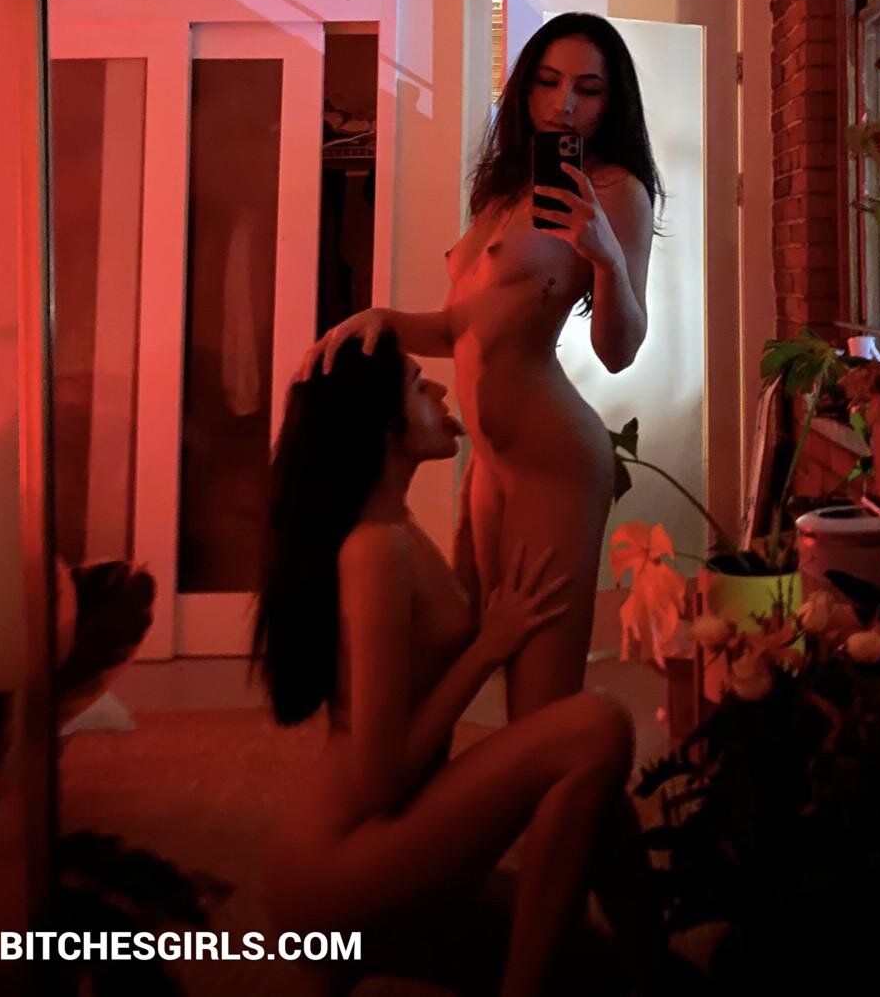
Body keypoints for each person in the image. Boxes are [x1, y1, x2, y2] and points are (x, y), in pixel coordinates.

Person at [253, 332, 643, 997]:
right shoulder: (375, 549)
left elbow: (449, 622)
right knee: (596, 725)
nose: (438, 392)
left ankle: (650, 963)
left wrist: (492, 480)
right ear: (382, 424)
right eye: (417, 385)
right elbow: (381, 778)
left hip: (377, 838)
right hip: (340, 866)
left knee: (590, 962)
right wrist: (489, 649)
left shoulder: (397, 526)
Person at [296, 12, 662, 721]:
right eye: (549, 82)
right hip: (490, 464)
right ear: (524, 90)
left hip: (556, 461)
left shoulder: (617, 191)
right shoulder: (503, 193)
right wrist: (377, 318)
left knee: (541, 701)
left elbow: (619, 352)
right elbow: (459, 329)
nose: (564, 104)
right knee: (457, 653)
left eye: (587, 90)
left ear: (611, 102)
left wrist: (605, 258)